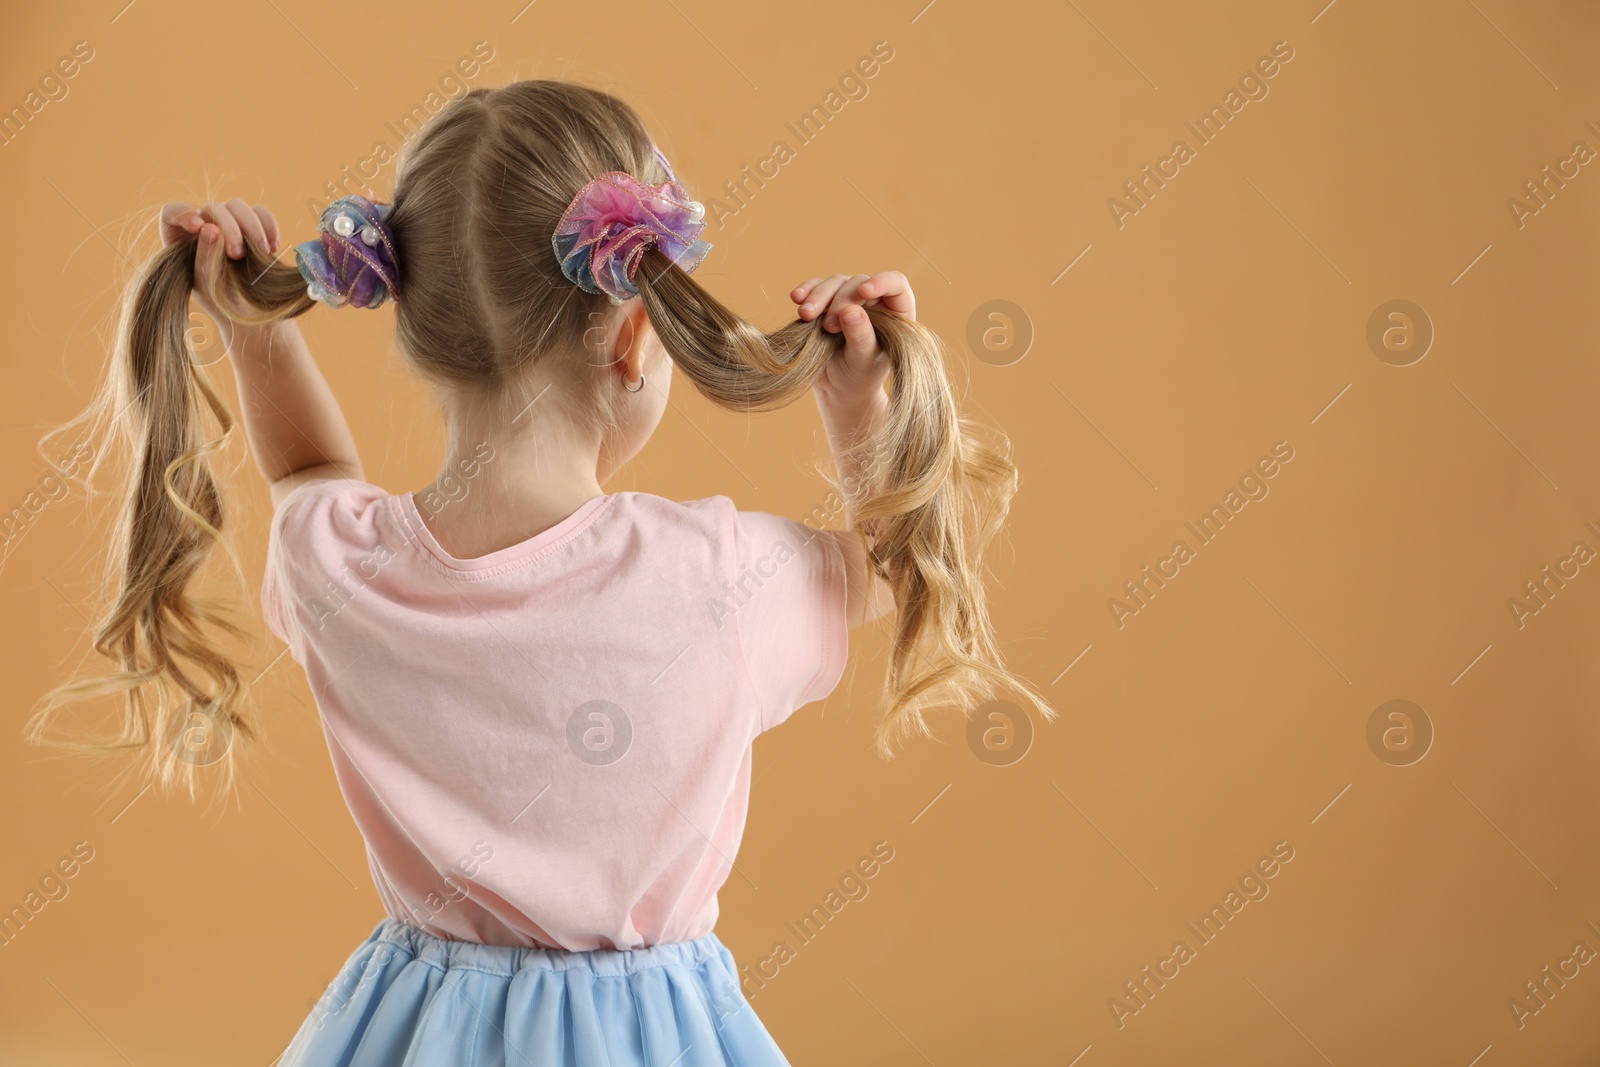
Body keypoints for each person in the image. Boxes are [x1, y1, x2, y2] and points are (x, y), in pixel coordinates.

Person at [30, 79, 1051, 1064]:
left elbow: (304, 472)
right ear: (636, 333)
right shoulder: (718, 577)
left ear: (409, 312)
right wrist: (861, 407)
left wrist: (249, 330)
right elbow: (899, 565)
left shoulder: (334, 562)